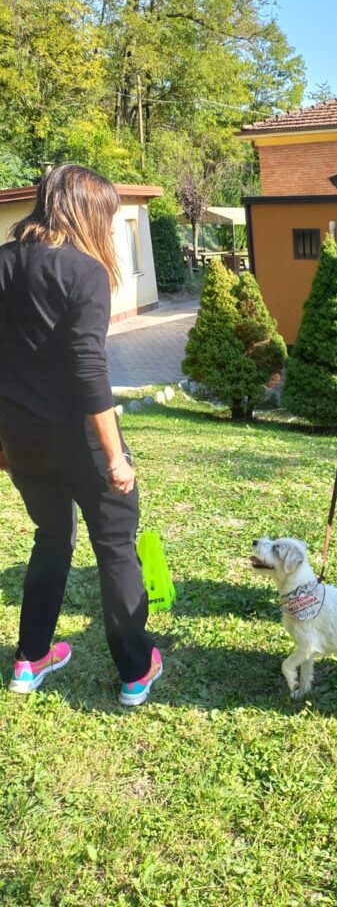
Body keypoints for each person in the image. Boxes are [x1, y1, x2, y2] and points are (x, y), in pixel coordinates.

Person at [0, 164, 162, 706]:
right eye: (109, 216)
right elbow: (89, 370)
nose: (111, 229)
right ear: (88, 212)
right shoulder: (84, 272)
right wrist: (116, 457)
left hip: (22, 439)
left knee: (52, 536)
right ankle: (136, 671)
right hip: (83, 442)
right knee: (116, 548)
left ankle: (30, 658)